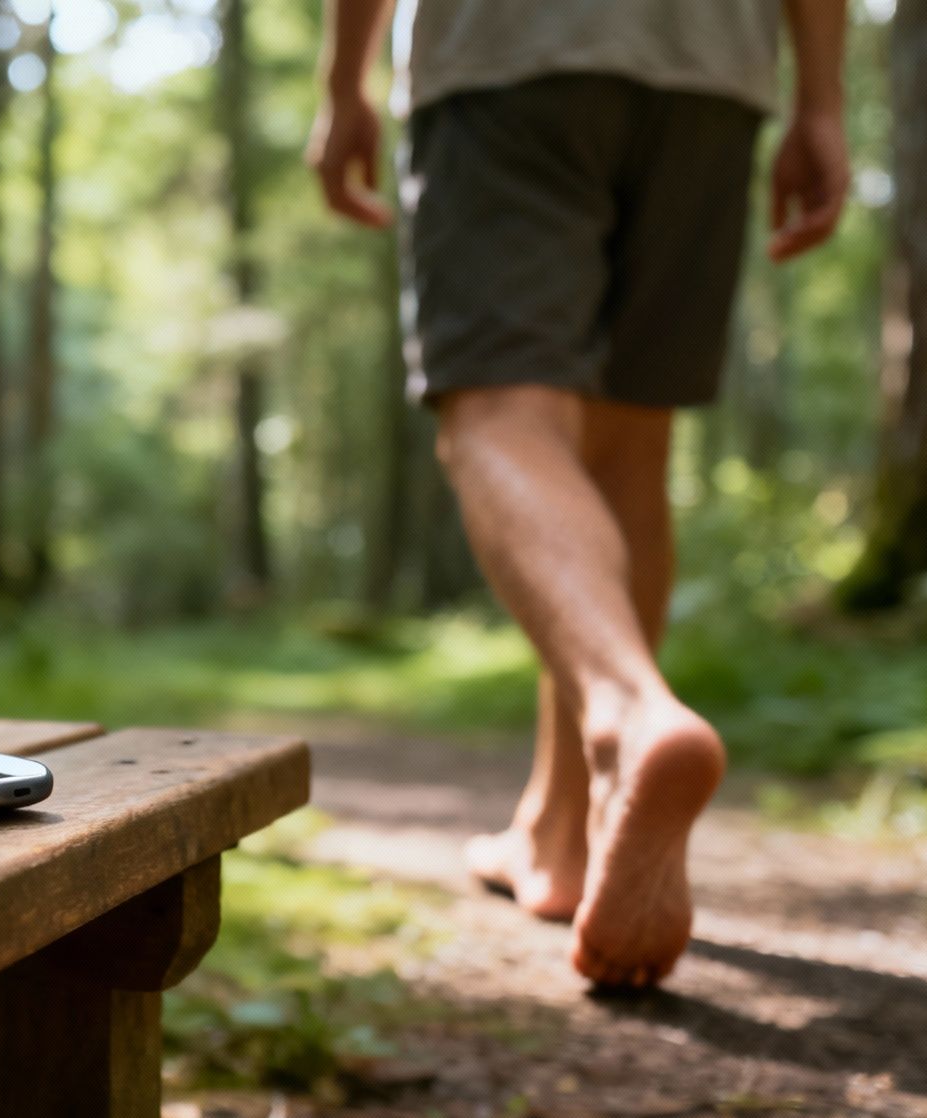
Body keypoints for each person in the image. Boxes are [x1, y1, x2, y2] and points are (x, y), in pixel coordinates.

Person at [307, 0, 849, 988]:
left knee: (495, 415)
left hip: (509, 49)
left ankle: (626, 716)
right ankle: (557, 838)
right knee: (627, 445)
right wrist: (820, 101)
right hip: (709, 70)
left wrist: (343, 81)